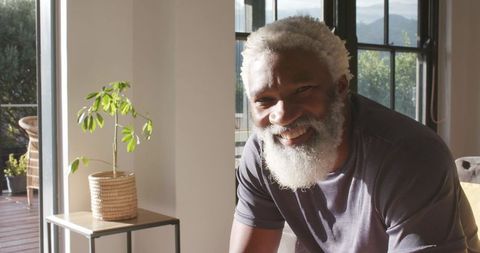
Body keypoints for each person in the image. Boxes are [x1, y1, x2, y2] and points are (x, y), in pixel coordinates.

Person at [229, 16, 480, 253]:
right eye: (264, 100)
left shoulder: (410, 156)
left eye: (302, 90)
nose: (282, 115)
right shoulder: (263, 154)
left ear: (340, 87)